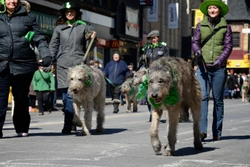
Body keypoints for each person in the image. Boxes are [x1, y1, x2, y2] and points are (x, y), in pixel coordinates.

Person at [0, 0, 52, 138]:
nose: (13, 1)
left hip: (23, 64)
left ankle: (22, 127)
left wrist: (46, 55)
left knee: (21, 97)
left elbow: (39, 38)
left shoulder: (28, 17)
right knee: (0, 98)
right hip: (1, 64)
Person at [49, 1, 96, 134]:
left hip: (78, 65)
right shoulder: (59, 29)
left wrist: (92, 39)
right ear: (64, 14)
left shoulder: (84, 27)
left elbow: (89, 47)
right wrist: (49, 59)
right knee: (65, 96)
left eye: (72, 11)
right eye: (67, 12)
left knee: (74, 96)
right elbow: (53, 46)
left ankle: (68, 123)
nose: (69, 13)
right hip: (63, 65)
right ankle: (72, 120)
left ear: (76, 13)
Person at [192, 0, 233, 141]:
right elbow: (195, 42)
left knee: (218, 100)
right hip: (203, 67)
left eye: (215, 8)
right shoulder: (200, 25)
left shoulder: (226, 27)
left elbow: (228, 46)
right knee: (202, 98)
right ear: (207, 10)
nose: (212, 10)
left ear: (219, 10)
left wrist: (219, 61)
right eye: (210, 8)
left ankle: (217, 131)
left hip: (219, 68)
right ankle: (202, 131)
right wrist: (197, 51)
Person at [138, 30, 170, 122]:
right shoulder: (147, 48)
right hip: (150, 74)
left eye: (155, 38)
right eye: (152, 38)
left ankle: (163, 111)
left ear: (158, 38)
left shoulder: (163, 48)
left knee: (162, 94)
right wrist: (142, 58)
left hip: (160, 74)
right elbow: (142, 60)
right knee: (148, 94)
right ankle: (152, 113)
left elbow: (167, 60)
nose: (153, 40)